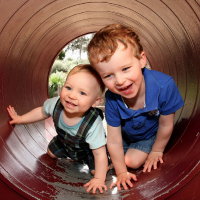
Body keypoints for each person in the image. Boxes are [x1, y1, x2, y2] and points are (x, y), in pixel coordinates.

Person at [87, 23, 184, 191]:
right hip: (126, 137)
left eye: (125, 69)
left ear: (141, 60)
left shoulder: (164, 86)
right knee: (101, 159)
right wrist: (121, 173)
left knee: (131, 161)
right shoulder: (112, 98)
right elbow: (115, 139)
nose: (119, 81)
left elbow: (166, 124)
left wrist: (156, 150)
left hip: (150, 136)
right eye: (108, 75)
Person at [7, 64, 111, 194]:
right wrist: (20, 119)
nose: (72, 96)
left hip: (88, 151)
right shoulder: (55, 104)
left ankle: (108, 163)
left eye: (82, 93)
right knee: (50, 153)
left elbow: (98, 153)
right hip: (64, 142)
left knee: (97, 170)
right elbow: (41, 112)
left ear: (96, 101)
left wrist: (99, 179)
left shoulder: (93, 124)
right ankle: (71, 155)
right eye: (68, 88)